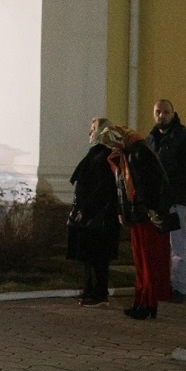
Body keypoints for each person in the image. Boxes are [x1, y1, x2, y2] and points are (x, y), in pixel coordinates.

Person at [102, 125, 174, 320]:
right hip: (138, 213)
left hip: (146, 214)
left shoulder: (138, 153)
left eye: (112, 143)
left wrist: (151, 210)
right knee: (141, 261)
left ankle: (147, 302)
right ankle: (142, 301)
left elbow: (149, 184)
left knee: (147, 260)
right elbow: (123, 188)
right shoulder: (127, 154)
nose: (111, 148)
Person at [66, 117, 120, 307]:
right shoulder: (95, 154)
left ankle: (99, 293)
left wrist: (86, 209)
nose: (90, 132)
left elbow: (104, 188)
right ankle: (89, 290)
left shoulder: (106, 156)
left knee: (98, 257)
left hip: (100, 217)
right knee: (88, 256)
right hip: (89, 215)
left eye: (94, 129)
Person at [146, 99, 186, 303]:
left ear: (174, 114)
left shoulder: (184, 138)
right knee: (158, 244)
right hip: (155, 200)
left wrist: (168, 195)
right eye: (158, 112)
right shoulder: (150, 139)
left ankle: (180, 287)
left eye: (166, 112)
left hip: (175, 199)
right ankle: (160, 283)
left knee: (177, 244)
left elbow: (184, 172)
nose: (162, 116)